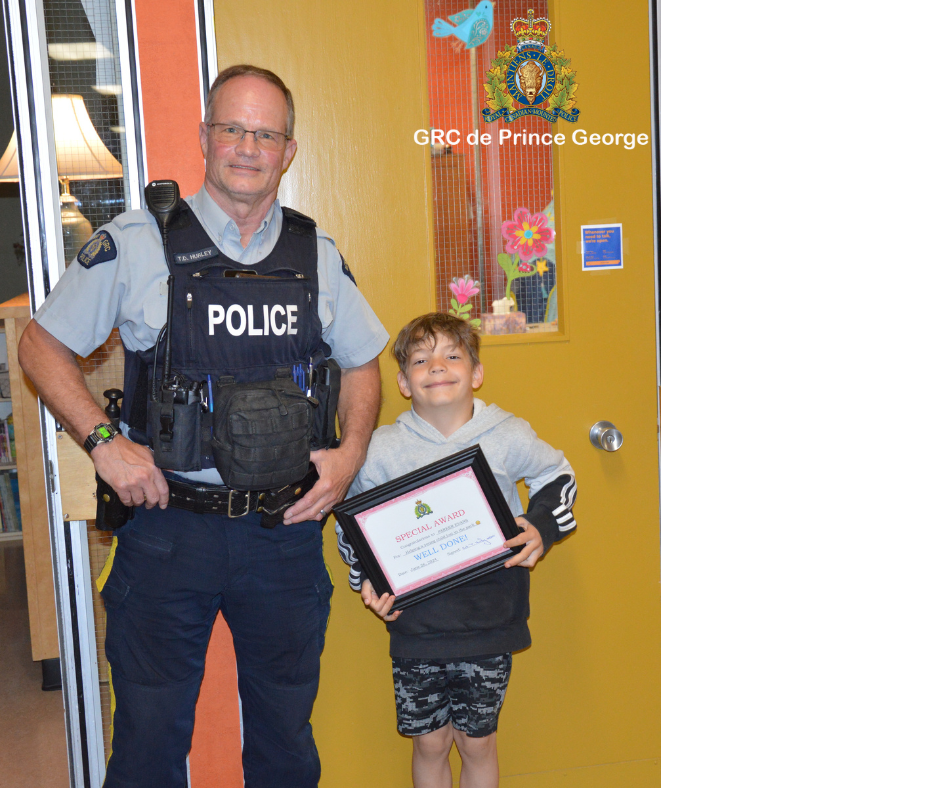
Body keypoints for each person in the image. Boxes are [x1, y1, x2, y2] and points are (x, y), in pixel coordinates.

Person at [18, 64, 388, 787]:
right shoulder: (137, 242)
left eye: (266, 133)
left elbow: (366, 362)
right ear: (205, 137)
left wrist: (349, 455)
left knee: (286, 741)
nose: (248, 147)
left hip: (282, 533)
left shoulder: (315, 253)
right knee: (150, 744)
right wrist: (103, 443)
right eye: (233, 128)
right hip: (168, 531)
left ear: (288, 150)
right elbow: (41, 344)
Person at [335, 313, 577, 788]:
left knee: (478, 742)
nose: (437, 367)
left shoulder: (507, 433)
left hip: (488, 620)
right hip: (416, 625)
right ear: (404, 382)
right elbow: (354, 525)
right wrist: (369, 580)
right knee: (429, 743)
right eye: (421, 360)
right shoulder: (381, 449)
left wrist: (542, 527)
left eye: (452, 356)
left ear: (477, 372)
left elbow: (559, 474)